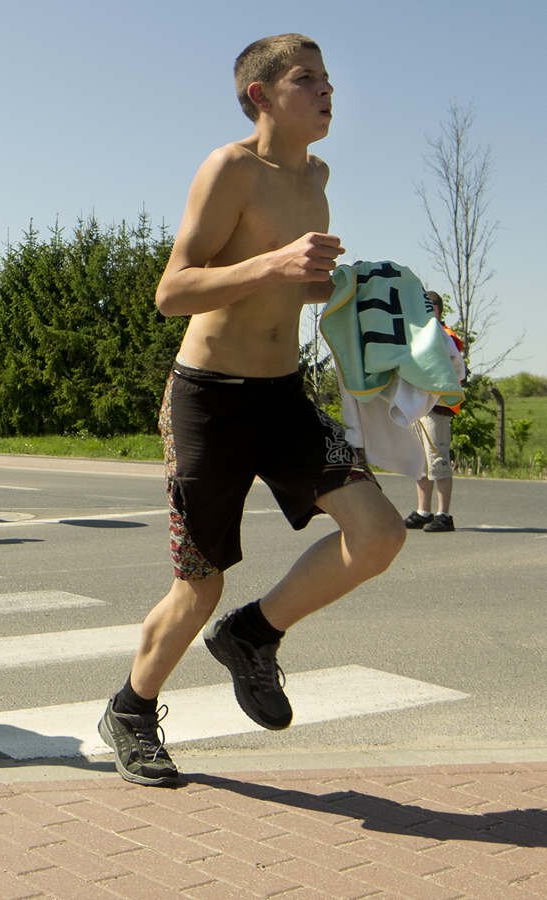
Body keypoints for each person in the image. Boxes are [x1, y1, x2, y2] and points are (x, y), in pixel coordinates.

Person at [96, 34, 405, 787]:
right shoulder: (229, 168)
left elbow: (301, 287)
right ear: (260, 95)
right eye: (308, 79)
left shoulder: (317, 176)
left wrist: (355, 288)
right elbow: (172, 291)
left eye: (328, 79)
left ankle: (254, 635)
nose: (328, 91)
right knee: (199, 584)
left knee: (379, 533)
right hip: (208, 399)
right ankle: (131, 711)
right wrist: (274, 262)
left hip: (283, 395)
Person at [405, 290, 465, 533]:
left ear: (437, 310)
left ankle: (444, 514)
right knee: (420, 460)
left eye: (428, 306)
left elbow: (456, 368)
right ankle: (423, 511)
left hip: (436, 405)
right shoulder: (418, 333)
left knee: (437, 458)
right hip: (418, 405)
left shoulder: (444, 335)